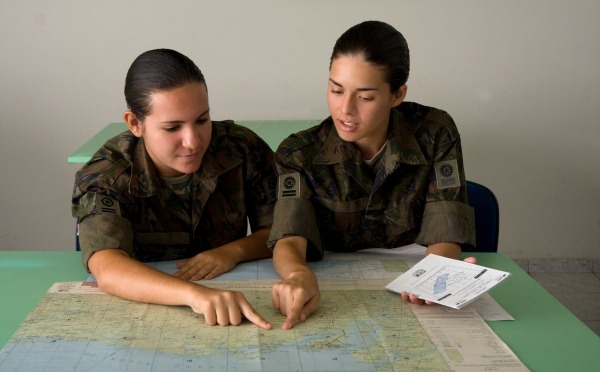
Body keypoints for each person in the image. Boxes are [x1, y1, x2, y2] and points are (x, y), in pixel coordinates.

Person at [268, 21, 476, 330]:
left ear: (397, 95)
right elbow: (290, 236)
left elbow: (445, 229)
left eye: (365, 97)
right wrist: (299, 276)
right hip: (334, 282)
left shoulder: (434, 131)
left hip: (411, 275)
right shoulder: (298, 152)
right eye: (336, 90)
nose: (346, 110)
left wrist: (437, 273)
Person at [72, 49, 277, 329]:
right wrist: (194, 296)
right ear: (135, 124)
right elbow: (107, 266)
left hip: (228, 292)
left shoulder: (241, 149)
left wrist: (233, 251)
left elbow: (280, 231)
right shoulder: (108, 173)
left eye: (202, 120)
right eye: (172, 128)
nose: (192, 141)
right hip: (145, 309)